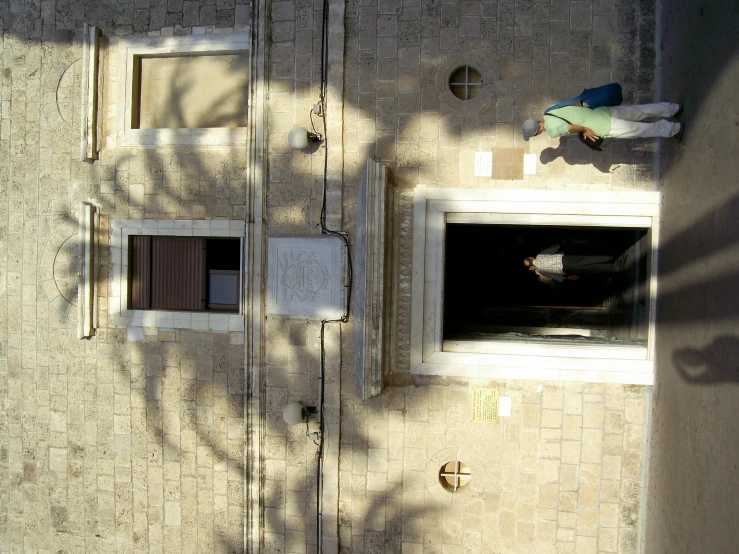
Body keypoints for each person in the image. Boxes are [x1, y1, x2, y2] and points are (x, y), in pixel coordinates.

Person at [522, 102, 683, 143]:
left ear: (536, 131)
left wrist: (585, 130)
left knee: (641, 130)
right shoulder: (549, 111)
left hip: (603, 126)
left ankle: (673, 129)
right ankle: (672, 108)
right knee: (640, 111)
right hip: (602, 112)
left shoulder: (552, 130)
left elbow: (570, 127)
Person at [523, 243, 617, 283]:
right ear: (531, 258)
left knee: (587, 269)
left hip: (565, 269)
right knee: (587, 259)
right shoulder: (540, 255)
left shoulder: (541, 270)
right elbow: (554, 248)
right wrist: (562, 243)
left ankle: (610, 268)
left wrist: (566, 278)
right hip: (565, 259)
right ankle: (608, 258)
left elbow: (554, 276)